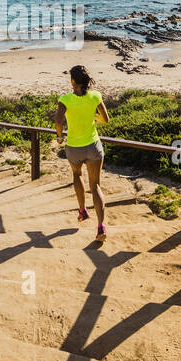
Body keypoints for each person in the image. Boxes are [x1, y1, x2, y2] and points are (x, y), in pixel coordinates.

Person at [54, 64, 110, 241]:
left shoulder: (65, 99)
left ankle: (82, 211)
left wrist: (60, 137)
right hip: (93, 146)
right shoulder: (95, 96)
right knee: (96, 186)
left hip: (74, 147)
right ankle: (101, 227)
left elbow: (58, 122)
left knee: (77, 175)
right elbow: (106, 119)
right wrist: (92, 116)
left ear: (73, 81)